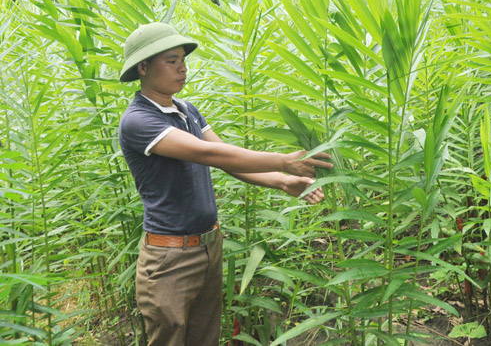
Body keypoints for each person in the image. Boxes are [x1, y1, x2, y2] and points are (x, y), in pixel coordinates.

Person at [117, 22, 331, 346]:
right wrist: (283, 159)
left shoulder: (187, 111)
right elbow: (210, 153)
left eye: (183, 60)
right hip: (169, 259)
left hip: (208, 247)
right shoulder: (139, 121)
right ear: (143, 67)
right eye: (172, 61)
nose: (182, 68)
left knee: (206, 338)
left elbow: (230, 162)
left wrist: (283, 181)